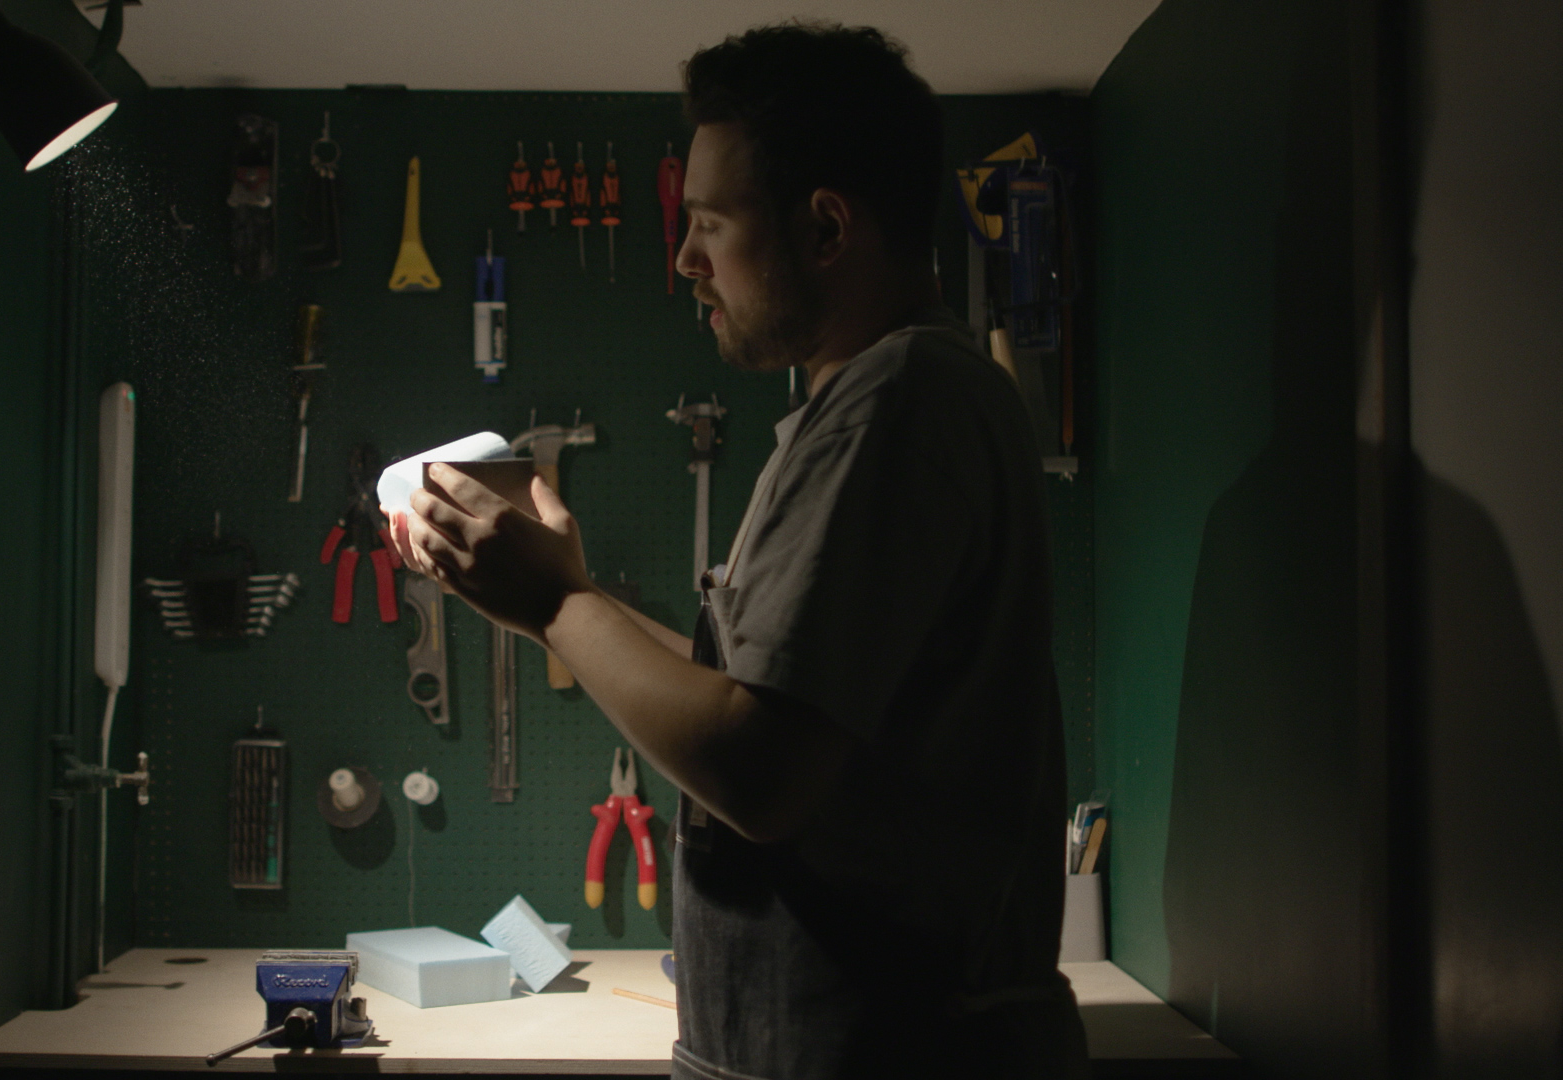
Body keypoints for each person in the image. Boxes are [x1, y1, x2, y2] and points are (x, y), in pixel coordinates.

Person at [389, 22, 1086, 1080]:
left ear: (826, 228)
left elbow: (759, 771)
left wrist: (557, 608)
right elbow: (758, 701)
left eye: (710, 223)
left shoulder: (896, 405)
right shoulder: (876, 405)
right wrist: (562, 594)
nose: (685, 258)